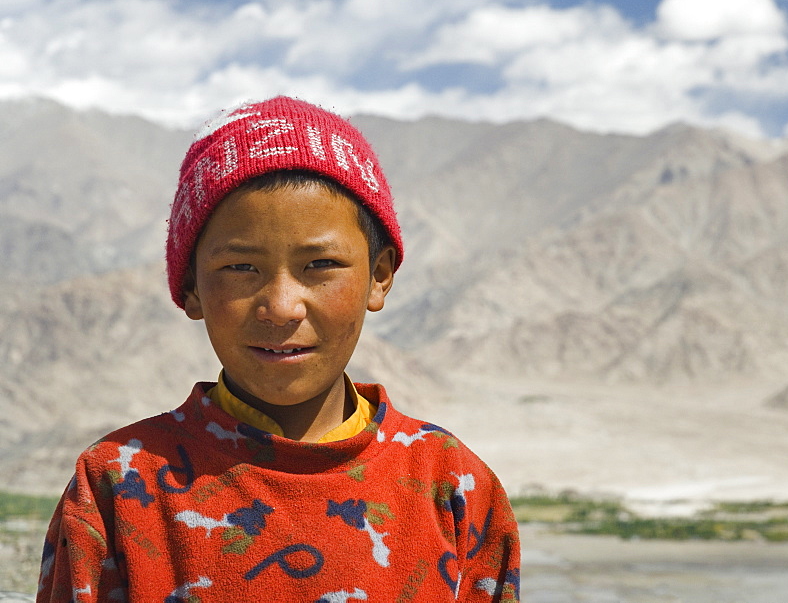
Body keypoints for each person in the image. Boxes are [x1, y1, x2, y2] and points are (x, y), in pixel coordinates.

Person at [36, 96, 520, 602]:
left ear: (379, 277)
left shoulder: (454, 485)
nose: (282, 306)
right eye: (241, 268)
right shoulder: (117, 486)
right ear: (193, 287)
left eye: (320, 265)